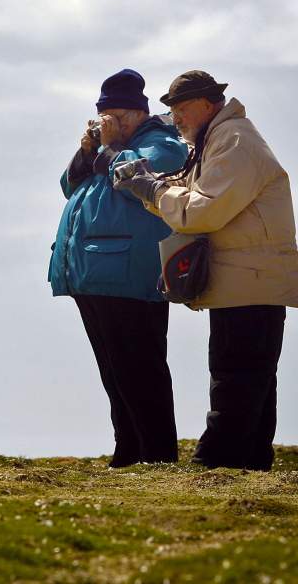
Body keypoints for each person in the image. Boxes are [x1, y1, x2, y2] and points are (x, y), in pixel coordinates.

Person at [114, 70, 298, 471]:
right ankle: (251, 465)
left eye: (183, 109)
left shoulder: (233, 140)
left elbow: (202, 211)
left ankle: (215, 466)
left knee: (235, 378)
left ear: (209, 104)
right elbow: (197, 199)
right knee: (252, 381)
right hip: (250, 279)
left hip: (248, 280)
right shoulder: (221, 138)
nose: (178, 118)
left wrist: (151, 188)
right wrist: (158, 186)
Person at [49, 69, 189, 467]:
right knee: (114, 370)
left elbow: (140, 182)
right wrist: (87, 150)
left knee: (140, 367)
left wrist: (110, 147)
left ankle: (157, 455)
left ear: (139, 114)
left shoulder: (162, 143)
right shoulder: (108, 150)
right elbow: (69, 186)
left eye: (120, 117)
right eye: (105, 117)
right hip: (92, 272)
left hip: (129, 273)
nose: (112, 124)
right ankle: (128, 451)